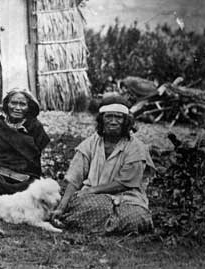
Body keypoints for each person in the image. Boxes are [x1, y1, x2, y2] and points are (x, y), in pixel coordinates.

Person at [51, 95, 155, 234]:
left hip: (128, 196)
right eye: (108, 117)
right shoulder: (90, 144)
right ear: (102, 120)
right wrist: (61, 207)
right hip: (93, 198)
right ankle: (111, 226)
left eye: (118, 117)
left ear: (126, 121)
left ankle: (92, 225)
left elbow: (125, 182)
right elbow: (75, 178)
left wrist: (93, 190)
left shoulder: (136, 147)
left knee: (135, 217)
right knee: (94, 206)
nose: (113, 121)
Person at [0, 88, 50, 199]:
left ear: (29, 107)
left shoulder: (35, 127)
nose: (17, 108)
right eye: (13, 103)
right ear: (7, 105)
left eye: (22, 104)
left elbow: (34, 159)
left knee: (32, 186)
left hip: (23, 173)